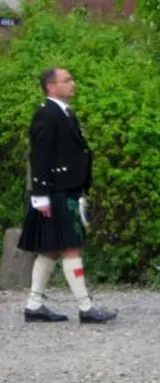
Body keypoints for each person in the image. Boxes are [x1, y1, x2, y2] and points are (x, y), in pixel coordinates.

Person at [19, 67, 117, 324]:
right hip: (54, 192)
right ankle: (86, 308)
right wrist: (40, 195)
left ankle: (34, 305)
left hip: (66, 190)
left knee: (50, 251)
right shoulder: (46, 114)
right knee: (72, 248)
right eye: (67, 80)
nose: (73, 84)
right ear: (52, 87)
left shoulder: (64, 113)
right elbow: (39, 157)